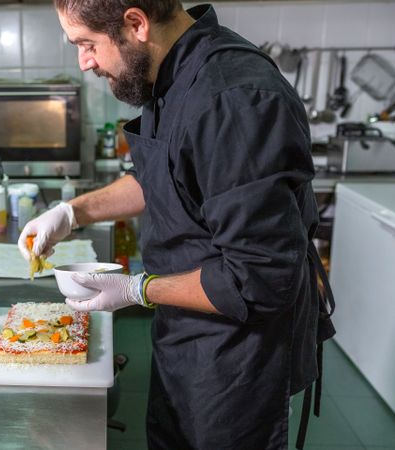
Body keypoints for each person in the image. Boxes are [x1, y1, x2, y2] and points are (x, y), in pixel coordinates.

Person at [18, 2, 335, 449]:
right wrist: (73, 213)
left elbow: (258, 278)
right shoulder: (169, 75)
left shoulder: (233, 99)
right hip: (184, 334)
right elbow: (163, 177)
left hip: (238, 357)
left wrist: (137, 290)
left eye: (88, 44)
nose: (84, 61)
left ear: (136, 23)